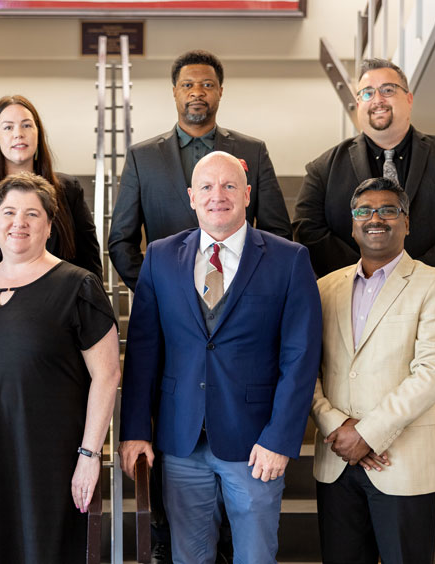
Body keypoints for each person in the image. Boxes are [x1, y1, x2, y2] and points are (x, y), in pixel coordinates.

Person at [119, 152, 322, 564]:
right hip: (180, 439)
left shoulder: (289, 259)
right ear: (191, 197)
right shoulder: (159, 257)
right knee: (188, 557)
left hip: (255, 445)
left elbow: (300, 357)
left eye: (230, 186)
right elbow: (142, 353)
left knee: (255, 557)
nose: (218, 196)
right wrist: (135, 430)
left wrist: (281, 438)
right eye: (207, 187)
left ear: (247, 194)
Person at [0, 172, 120, 563]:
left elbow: (107, 375)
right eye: (9, 212)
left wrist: (90, 457)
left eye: (32, 214)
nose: (19, 222)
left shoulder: (78, 286)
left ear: (50, 225)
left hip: (49, 461)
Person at [292, 57, 435, 358]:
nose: (377, 100)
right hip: (350, 310)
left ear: (408, 99)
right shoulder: (323, 168)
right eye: (367, 92)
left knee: (429, 402)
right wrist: (370, 276)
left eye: (388, 90)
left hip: (433, 308)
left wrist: (415, 276)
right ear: (358, 103)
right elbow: (307, 229)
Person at [311, 177, 435, 564]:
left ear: (406, 222)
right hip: (336, 461)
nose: (375, 218)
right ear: (352, 222)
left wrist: (368, 433)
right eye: (364, 210)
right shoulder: (325, 288)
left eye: (388, 210)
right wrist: (336, 426)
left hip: (403, 461)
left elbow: (434, 373)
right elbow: (304, 368)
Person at [109, 49, 291, 292]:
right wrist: (152, 287)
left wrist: (256, 283)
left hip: (241, 291)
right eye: (187, 85)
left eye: (207, 84)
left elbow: (277, 231)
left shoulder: (253, 151)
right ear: (174, 91)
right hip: (169, 294)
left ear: (220, 91)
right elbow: (121, 239)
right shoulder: (142, 158)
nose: (197, 92)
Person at [0, 95, 102, 316]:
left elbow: (89, 261)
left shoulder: (68, 190)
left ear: (38, 133)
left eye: (26, 125)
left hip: (57, 317)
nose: (18, 133)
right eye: (8, 127)